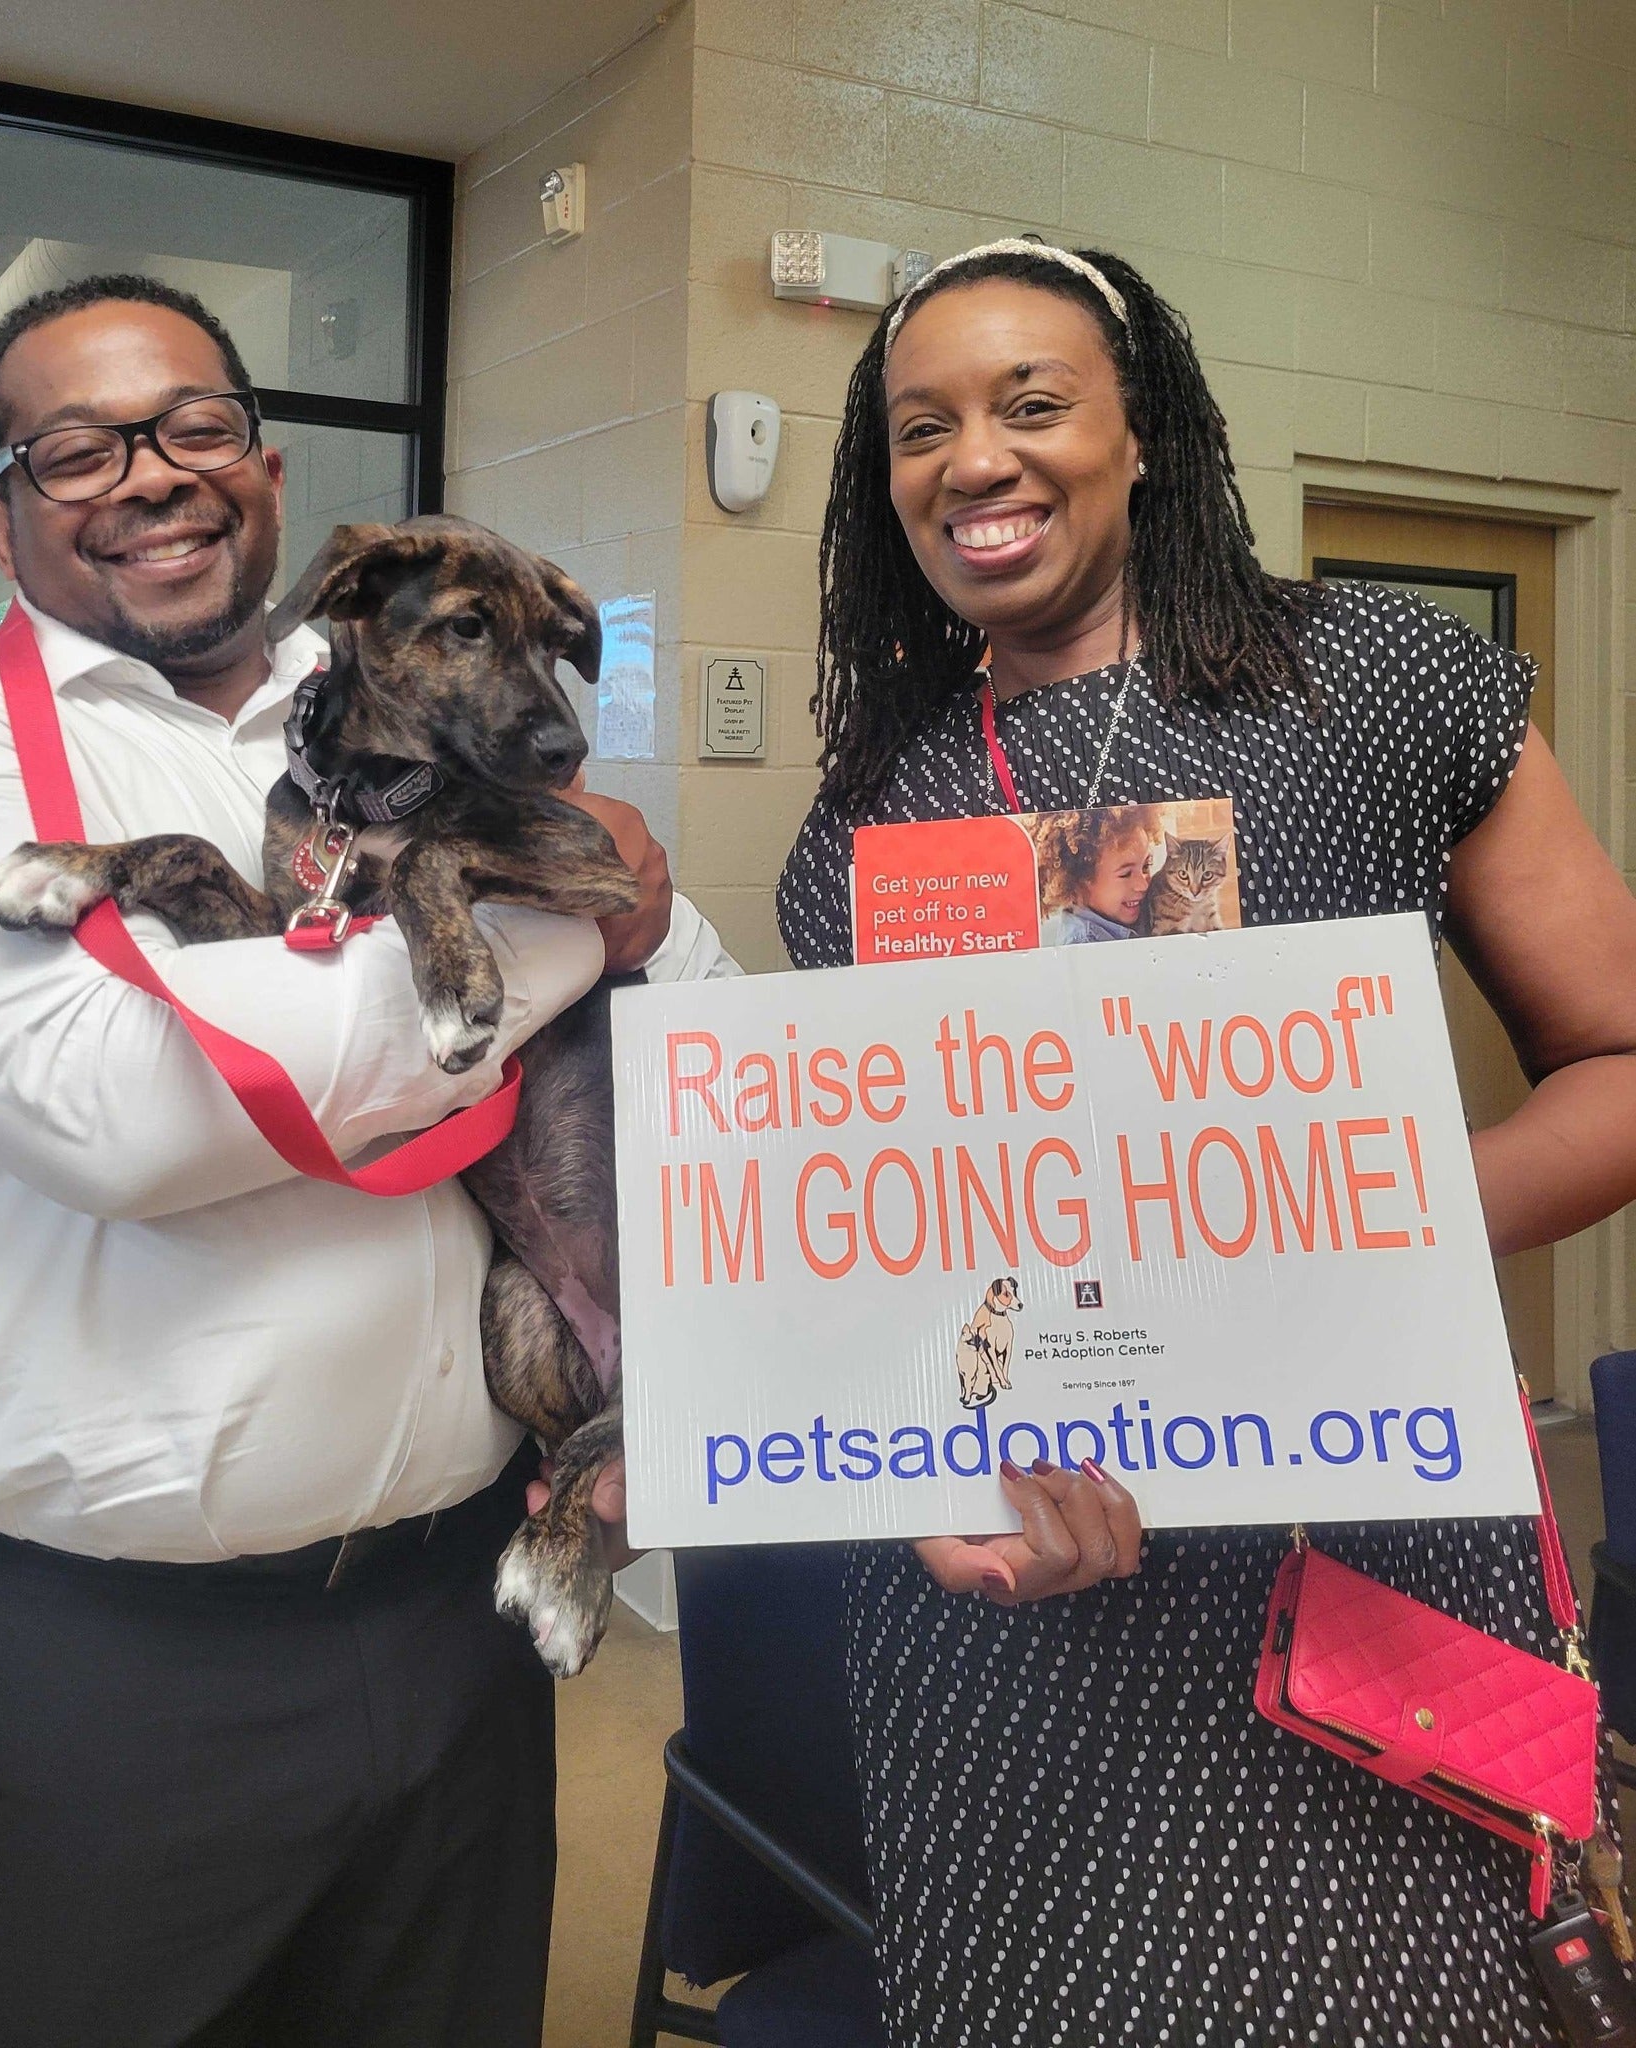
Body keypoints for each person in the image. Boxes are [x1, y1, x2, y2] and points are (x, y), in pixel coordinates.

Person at [0, 273, 731, 2048]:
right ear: (0, 511)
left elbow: (704, 1009)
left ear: (269, 475)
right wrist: (574, 922)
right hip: (93, 1676)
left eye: (195, 427)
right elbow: (119, 1111)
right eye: (77, 447)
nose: (150, 472)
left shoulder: (393, 710)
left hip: (457, 1630)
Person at [779, 239, 1636, 2045]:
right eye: (920, 428)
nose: (974, 461)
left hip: (1360, 1547)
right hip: (1016, 1610)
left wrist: (1370, 1216)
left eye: (1031, 404)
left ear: (1142, 426)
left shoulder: (1375, 679)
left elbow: (1619, 1056)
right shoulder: (877, 800)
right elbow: (896, 1244)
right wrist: (924, 1462)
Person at [1032, 801, 1159, 944]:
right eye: (1126, 874)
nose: (1143, 885)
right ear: (1082, 876)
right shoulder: (1083, 944)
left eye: (1146, 866)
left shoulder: (1133, 914)